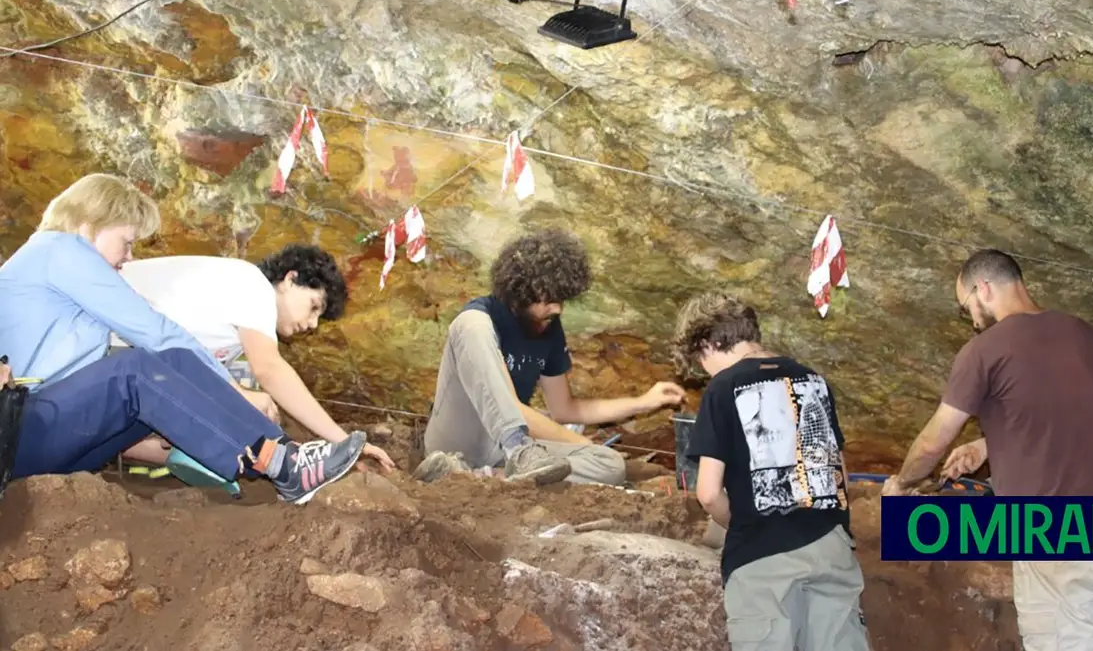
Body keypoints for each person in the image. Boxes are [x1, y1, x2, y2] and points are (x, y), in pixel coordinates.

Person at [0, 173, 367, 504]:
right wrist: (233, 393)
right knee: (137, 368)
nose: (128, 257)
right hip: (14, 432)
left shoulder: (60, 275)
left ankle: (286, 460)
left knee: (159, 367)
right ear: (90, 224)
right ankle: (285, 465)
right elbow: (158, 334)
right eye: (126, 242)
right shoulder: (58, 248)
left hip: (32, 441)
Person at [881, 249, 1093, 651]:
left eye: (966, 305)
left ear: (983, 288)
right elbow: (1067, 413)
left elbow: (934, 440)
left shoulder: (984, 351)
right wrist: (989, 445)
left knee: (1066, 640)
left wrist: (902, 484)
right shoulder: (1084, 335)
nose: (970, 318)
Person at [674, 291, 870, 651]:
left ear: (711, 341)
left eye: (701, 360)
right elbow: (839, 470)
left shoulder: (722, 388)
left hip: (762, 557)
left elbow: (707, 492)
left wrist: (735, 523)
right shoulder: (813, 380)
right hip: (830, 544)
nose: (705, 372)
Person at [417, 228, 685, 486]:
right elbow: (513, 408)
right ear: (520, 292)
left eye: (561, 299)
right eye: (547, 298)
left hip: (499, 455)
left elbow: (565, 409)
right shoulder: (482, 319)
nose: (556, 308)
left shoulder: (548, 328)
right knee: (469, 324)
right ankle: (511, 455)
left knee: (609, 463)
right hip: (458, 439)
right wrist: (579, 443)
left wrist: (643, 402)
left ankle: (475, 478)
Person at [116, 244, 395, 471]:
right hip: (104, 345)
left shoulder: (228, 327)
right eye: (314, 307)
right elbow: (270, 370)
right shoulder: (255, 286)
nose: (312, 324)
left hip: (118, 359)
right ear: (290, 279)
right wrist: (344, 442)